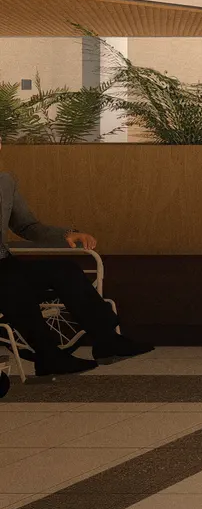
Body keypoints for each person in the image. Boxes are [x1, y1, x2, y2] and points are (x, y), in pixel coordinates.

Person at [0, 156, 152, 377]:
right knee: (11, 282)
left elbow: (28, 226)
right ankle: (48, 356)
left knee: (65, 270)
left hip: (4, 263)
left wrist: (67, 234)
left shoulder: (5, 182)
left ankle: (107, 341)